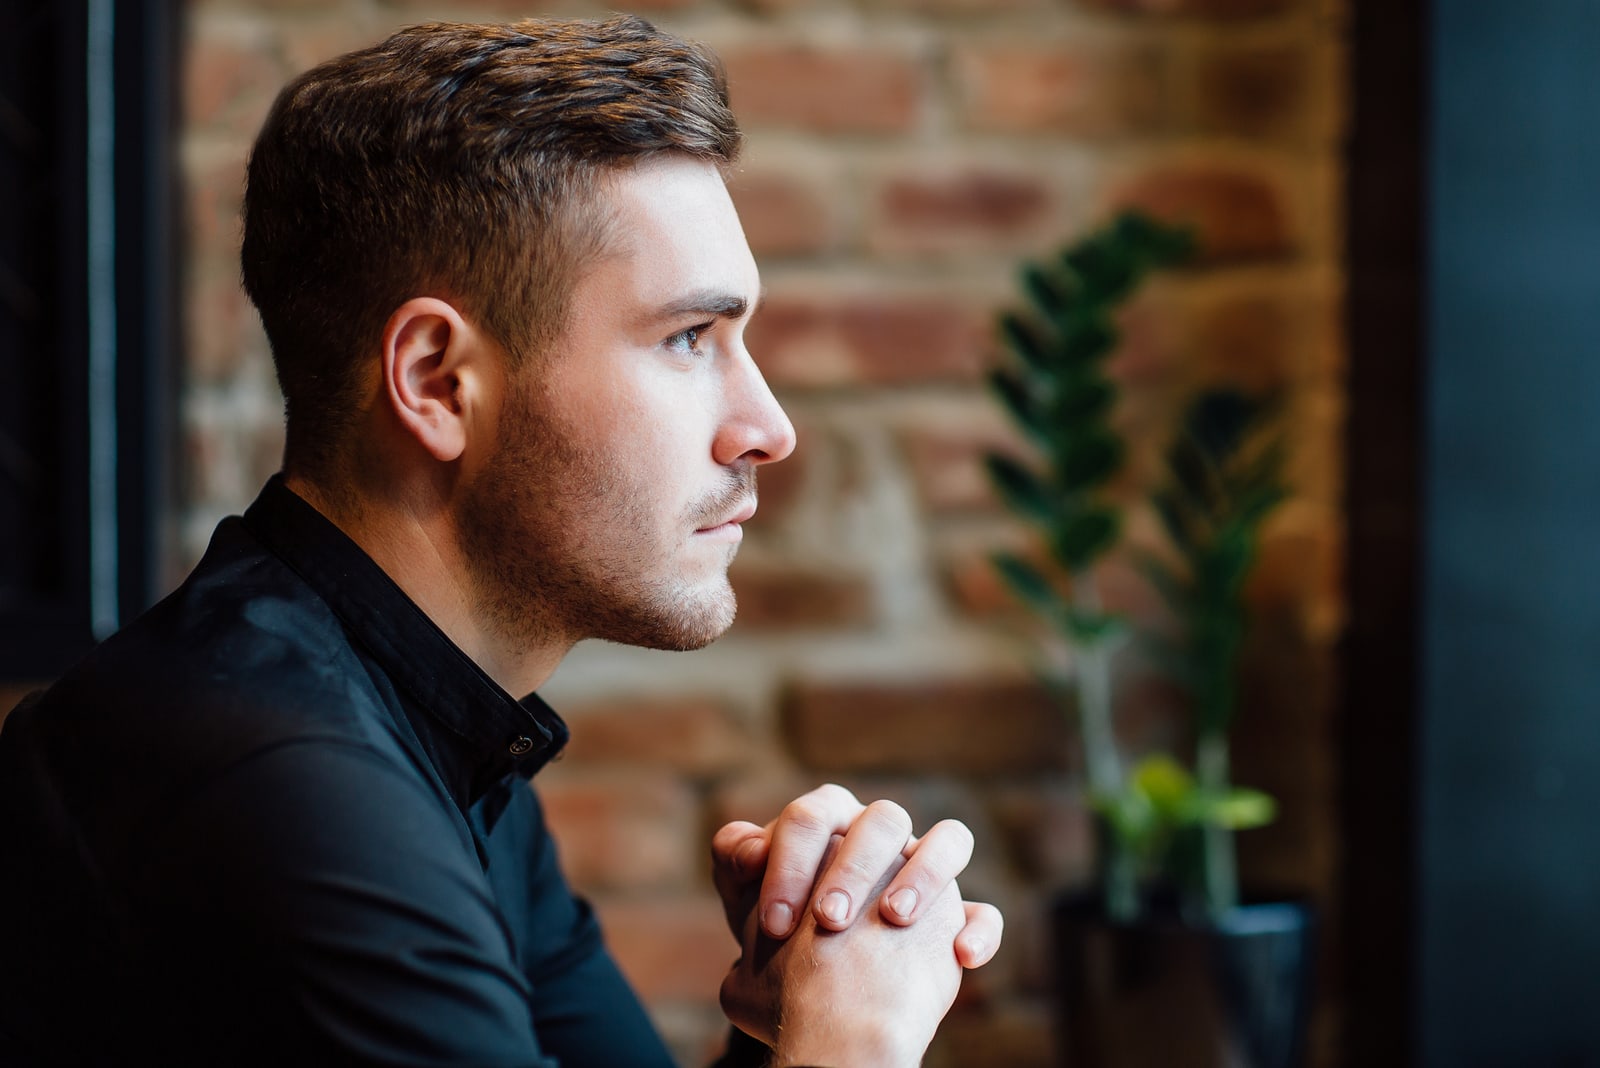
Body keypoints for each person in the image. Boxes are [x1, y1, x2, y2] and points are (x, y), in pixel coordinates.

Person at [0, 16, 1003, 1067]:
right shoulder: (281, 787)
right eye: (687, 339)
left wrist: (782, 1028)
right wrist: (858, 1045)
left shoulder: (434, 732)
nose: (768, 428)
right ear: (437, 382)